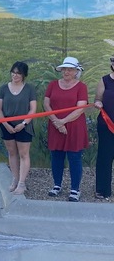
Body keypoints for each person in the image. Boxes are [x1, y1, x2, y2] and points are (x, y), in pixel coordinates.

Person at [43, 56, 88, 202]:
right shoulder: (52, 85)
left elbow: (80, 108)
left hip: (74, 127)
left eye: (70, 69)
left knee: (74, 158)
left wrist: (63, 121)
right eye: (65, 69)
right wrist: (56, 122)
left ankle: (75, 189)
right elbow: (46, 104)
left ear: (76, 71)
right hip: (55, 126)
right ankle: (57, 185)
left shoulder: (81, 87)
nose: (67, 72)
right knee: (56, 156)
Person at [0, 62, 37, 195]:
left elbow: (33, 109)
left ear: (24, 75)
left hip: (24, 126)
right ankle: (15, 178)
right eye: (13, 72)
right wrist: (6, 124)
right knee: (12, 153)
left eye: (18, 73)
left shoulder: (29, 89)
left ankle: (22, 183)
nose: (15, 75)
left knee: (24, 154)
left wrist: (24, 123)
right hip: (7, 125)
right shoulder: (3, 88)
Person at [93, 56, 114, 200]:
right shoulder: (104, 80)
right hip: (106, 126)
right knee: (104, 158)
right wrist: (98, 103)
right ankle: (102, 190)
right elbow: (98, 99)